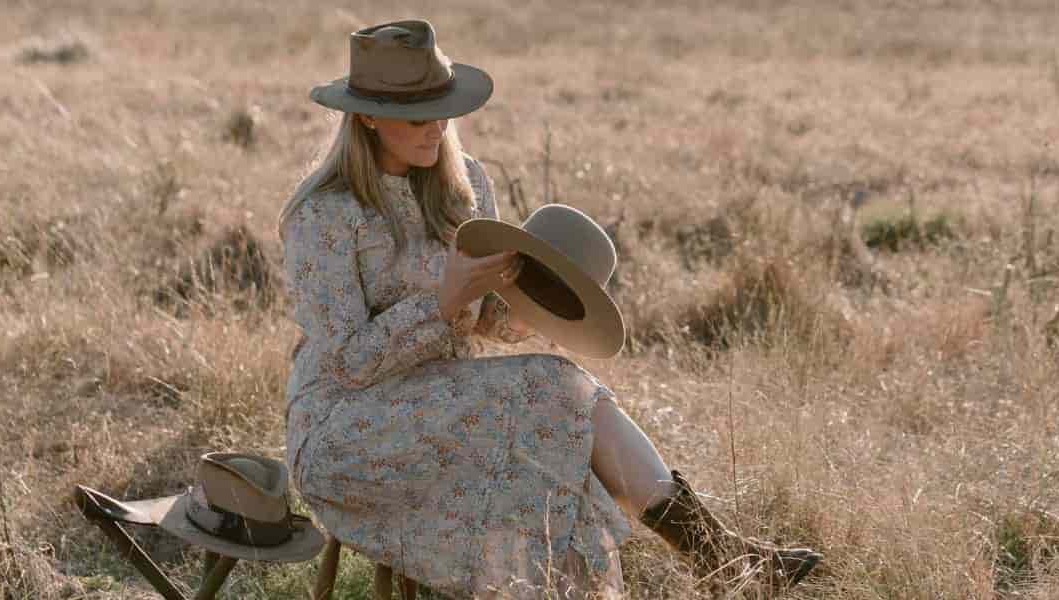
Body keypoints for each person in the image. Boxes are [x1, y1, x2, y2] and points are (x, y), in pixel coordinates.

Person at [277, 19, 822, 598]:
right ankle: (721, 560)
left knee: (558, 409)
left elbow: (485, 323)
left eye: (444, 110)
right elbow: (347, 365)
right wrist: (444, 300)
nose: (437, 127)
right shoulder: (325, 215)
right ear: (366, 115)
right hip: (345, 430)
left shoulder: (465, 187)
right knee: (553, 389)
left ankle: (719, 558)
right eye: (418, 116)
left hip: (450, 402)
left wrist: (538, 301)